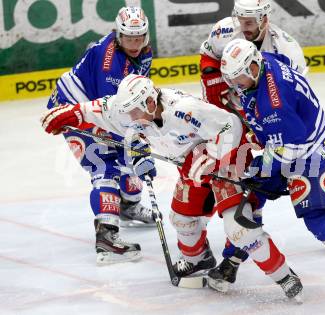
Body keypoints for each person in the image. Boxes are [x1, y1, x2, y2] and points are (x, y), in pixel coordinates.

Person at [40, 74, 304, 300]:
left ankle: (284, 276)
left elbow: (230, 125)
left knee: (239, 231)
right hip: (192, 165)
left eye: (134, 110)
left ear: (150, 101)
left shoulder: (184, 109)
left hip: (226, 161)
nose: (129, 117)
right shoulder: (134, 109)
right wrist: (70, 114)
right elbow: (100, 109)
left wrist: (214, 158)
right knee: (182, 219)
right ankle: (197, 260)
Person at [220, 38, 325, 304]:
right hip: (288, 140)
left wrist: (263, 167)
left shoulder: (274, 105)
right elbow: (284, 67)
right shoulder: (266, 63)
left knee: (317, 219)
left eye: (238, 77)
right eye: (232, 78)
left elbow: (292, 147)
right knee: (250, 196)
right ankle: (232, 260)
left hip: (309, 151)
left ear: (253, 67)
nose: (235, 84)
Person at [199, 0, 307, 291]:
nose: (243, 27)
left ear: (265, 19)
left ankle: (233, 259)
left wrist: (285, 144)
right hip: (236, 123)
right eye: (240, 19)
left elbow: (300, 100)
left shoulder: (286, 50)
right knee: (245, 192)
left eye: (250, 21)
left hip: (276, 127)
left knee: (259, 189)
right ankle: (232, 260)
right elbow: (207, 61)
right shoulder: (224, 35)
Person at [45, 6, 157, 265]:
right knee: (104, 164)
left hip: (97, 107)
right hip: (72, 113)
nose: (134, 44)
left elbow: (131, 100)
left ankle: (127, 206)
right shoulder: (110, 64)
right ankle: (106, 235)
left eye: (139, 38)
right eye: (129, 38)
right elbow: (111, 112)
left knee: (127, 153)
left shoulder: (143, 53)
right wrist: (137, 139)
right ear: (118, 35)